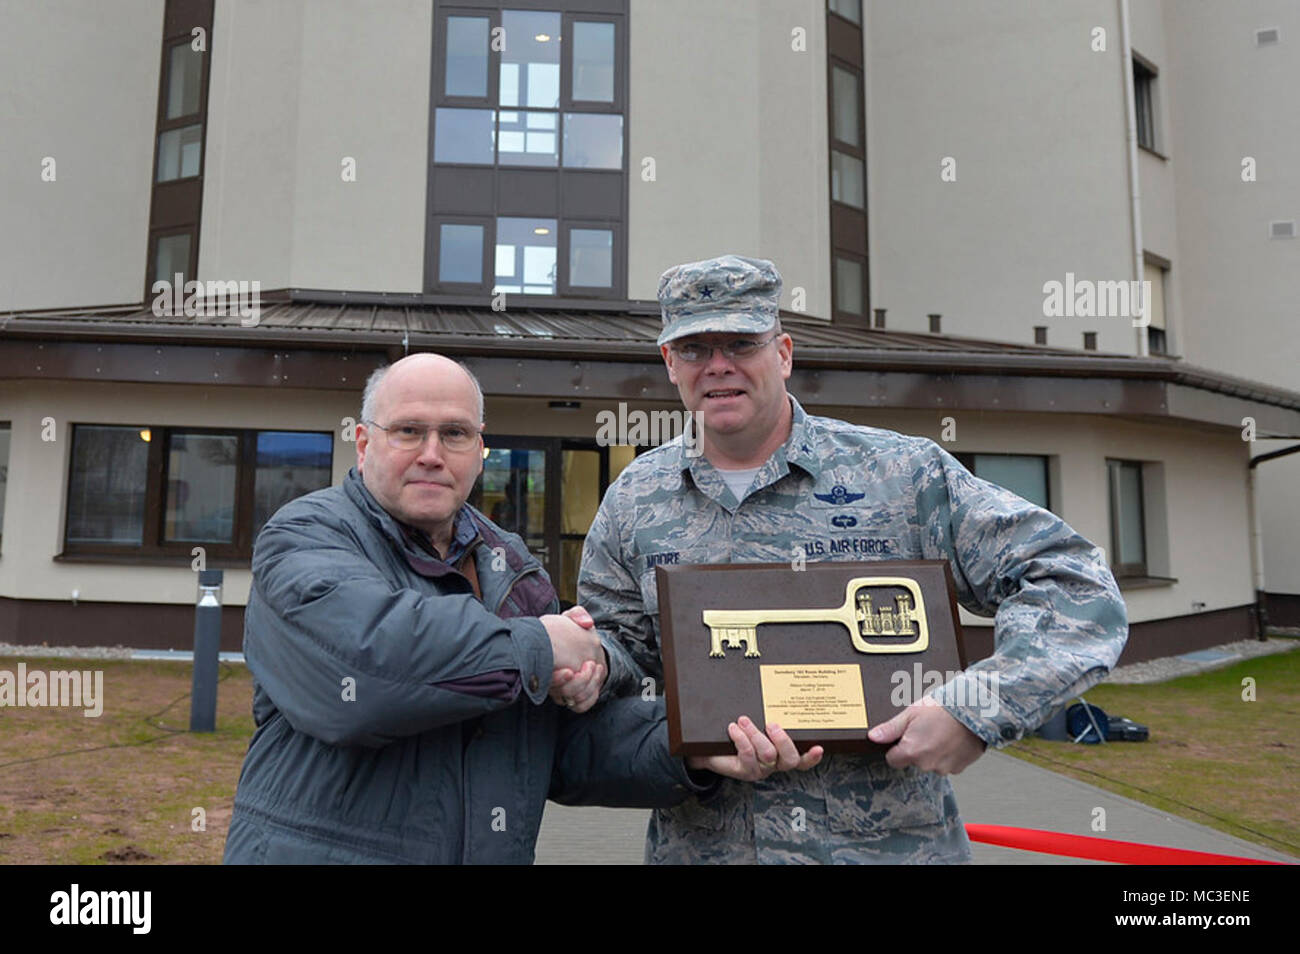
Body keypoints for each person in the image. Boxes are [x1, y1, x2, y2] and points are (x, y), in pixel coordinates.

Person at [575, 254, 1130, 864]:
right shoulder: (634, 500)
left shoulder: (898, 475)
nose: (718, 366)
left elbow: (1072, 579)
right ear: (669, 364)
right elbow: (621, 662)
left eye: (741, 342)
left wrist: (977, 708)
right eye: (693, 349)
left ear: (783, 352)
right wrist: (589, 665)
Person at [224, 352, 820, 865]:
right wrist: (543, 645)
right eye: (408, 431)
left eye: (455, 434)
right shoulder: (307, 537)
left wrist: (697, 741)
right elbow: (365, 672)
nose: (432, 453)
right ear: (363, 442)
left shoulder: (509, 567)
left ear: (481, 450)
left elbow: (559, 749)